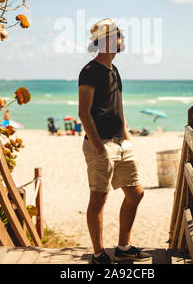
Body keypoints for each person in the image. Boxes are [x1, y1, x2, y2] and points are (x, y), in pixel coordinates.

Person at [78, 18, 150, 265]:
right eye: (119, 35)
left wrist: (127, 139)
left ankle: (123, 247)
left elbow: (118, 108)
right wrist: (99, 147)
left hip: (121, 144)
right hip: (101, 144)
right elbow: (83, 112)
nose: (122, 40)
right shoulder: (89, 71)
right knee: (99, 198)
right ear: (108, 39)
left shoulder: (114, 70)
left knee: (136, 193)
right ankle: (98, 254)